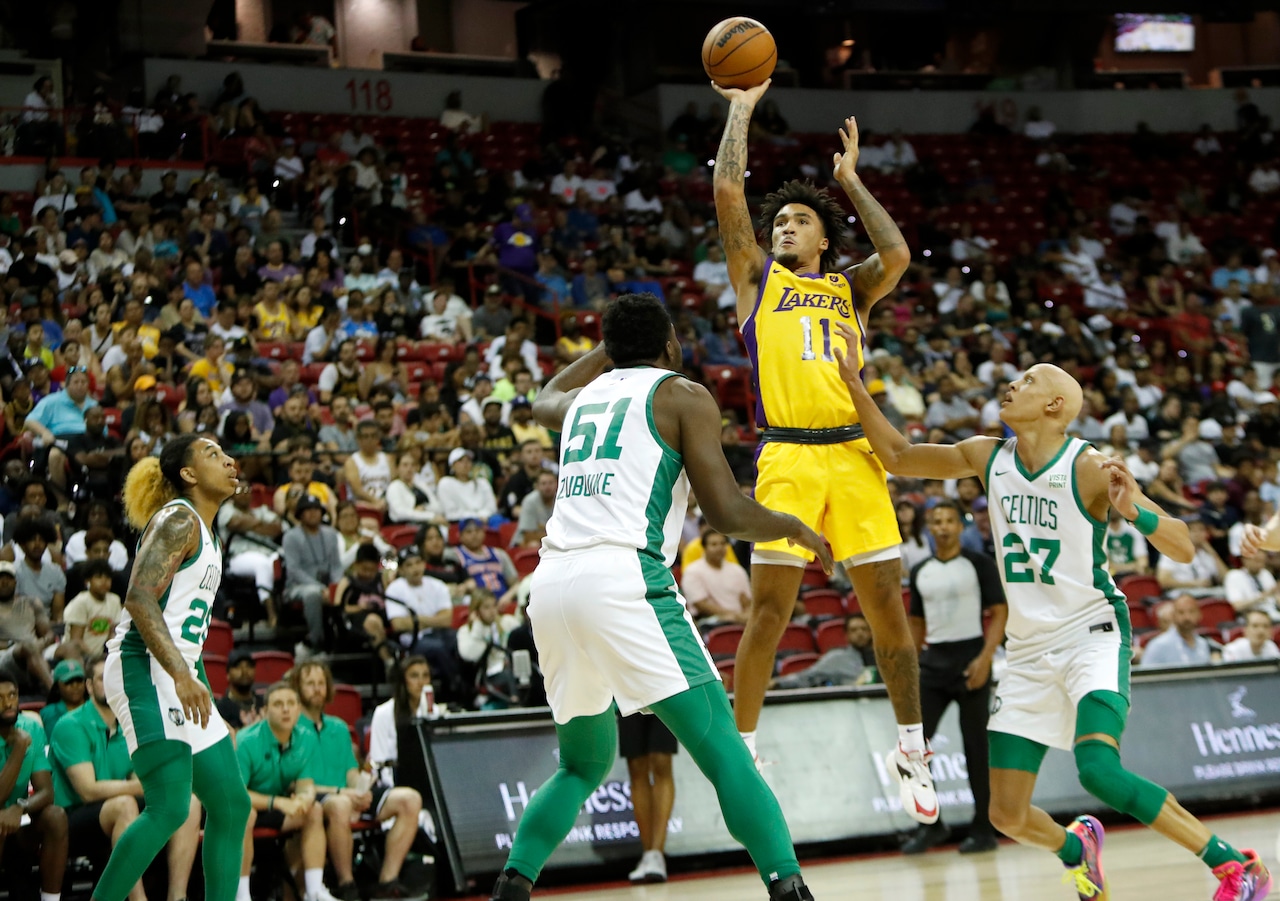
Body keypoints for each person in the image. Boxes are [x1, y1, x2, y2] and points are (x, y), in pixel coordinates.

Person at [832, 341, 1271, 901]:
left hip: (1091, 633)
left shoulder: (1088, 467)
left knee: (1098, 771)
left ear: (1056, 405)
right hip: (1028, 651)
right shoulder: (985, 455)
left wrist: (1134, 505)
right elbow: (897, 456)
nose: (1013, 384)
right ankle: (1075, 849)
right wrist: (853, 384)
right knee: (1006, 814)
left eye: (1029, 380)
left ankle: (1234, 865)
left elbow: (1183, 547)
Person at [486, 293, 831, 901]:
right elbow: (725, 513)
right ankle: (789, 889)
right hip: (624, 579)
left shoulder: (577, 401)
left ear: (612, 349)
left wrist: (608, 352)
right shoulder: (683, 395)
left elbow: (540, 398)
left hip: (552, 586)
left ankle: (512, 888)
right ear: (670, 343)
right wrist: (793, 527)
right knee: (725, 751)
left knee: (581, 766)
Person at [711, 81, 932, 818]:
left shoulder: (849, 287)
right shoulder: (756, 279)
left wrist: (849, 180)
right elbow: (726, 192)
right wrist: (741, 105)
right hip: (787, 457)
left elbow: (896, 251)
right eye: (779, 221)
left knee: (887, 611)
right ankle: (741, 751)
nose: (783, 228)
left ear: (823, 239)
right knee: (769, 612)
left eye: (799, 221)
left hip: (854, 457)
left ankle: (913, 749)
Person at [96, 434, 253, 901]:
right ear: (188, 475)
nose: (228, 460)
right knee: (168, 806)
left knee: (230, 803)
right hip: (140, 665)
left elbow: (188, 634)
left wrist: (197, 684)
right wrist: (183, 676)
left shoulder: (209, 534)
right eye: (212, 455)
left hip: (177, 669)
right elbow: (140, 600)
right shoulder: (178, 519)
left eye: (226, 454)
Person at [902, 500, 1007, 855]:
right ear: (930, 528)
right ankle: (930, 825)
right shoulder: (920, 572)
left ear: (960, 527)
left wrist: (986, 657)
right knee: (913, 749)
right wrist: (913, 664)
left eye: (949, 521)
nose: (943, 527)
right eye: (937, 521)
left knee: (976, 748)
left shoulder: (978, 564)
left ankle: (983, 828)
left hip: (972, 659)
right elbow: (916, 621)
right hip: (934, 664)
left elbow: (1000, 610)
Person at [52, 655, 202, 901]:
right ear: (89, 686)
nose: (110, 683)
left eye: (116, 678)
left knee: (186, 801)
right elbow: (88, 790)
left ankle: (177, 896)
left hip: (122, 806)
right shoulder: (71, 724)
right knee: (125, 805)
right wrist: (143, 785)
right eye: (102, 678)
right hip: (73, 817)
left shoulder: (131, 722)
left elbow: (141, 773)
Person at [292, 662, 426, 901]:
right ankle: (347, 883)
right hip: (316, 797)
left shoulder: (339, 727)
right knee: (341, 804)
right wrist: (345, 793)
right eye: (310, 684)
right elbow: (296, 783)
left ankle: (387, 881)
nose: (317, 689)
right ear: (298, 688)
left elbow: (351, 773)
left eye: (321, 683)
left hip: (345, 793)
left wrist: (362, 788)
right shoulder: (291, 728)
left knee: (410, 799)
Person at [234, 681, 337, 901]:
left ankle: (314, 891)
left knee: (314, 810)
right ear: (264, 711)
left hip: (274, 808)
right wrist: (279, 803)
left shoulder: (305, 738)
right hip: (240, 807)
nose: (286, 709)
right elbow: (237, 794)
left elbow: (304, 782)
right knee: (245, 814)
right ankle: (241, 896)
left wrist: (305, 797)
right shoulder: (245, 741)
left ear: (299, 709)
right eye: (278, 704)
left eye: (291, 703)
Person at [0, 674, 67, 901]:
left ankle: (51, 899)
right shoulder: (22, 737)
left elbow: (46, 792)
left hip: (17, 825)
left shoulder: (30, 727)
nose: (8, 703)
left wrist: (20, 807)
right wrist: (19, 748)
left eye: (12, 695)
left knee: (56, 816)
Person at [283, 496, 347, 660]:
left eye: (316, 510)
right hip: (298, 586)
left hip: (327, 584)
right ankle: (316, 640)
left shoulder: (331, 534)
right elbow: (294, 570)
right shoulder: (291, 537)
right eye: (308, 510)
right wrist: (321, 588)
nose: (313, 514)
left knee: (345, 587)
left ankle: (346, 638)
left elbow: (336, 566)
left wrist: (335, 586)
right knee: (313, 593)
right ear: (300, 514)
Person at [619, 711, 677, 884]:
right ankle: (649, 854)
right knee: (636, 765)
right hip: (627, 688)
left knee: (661, 760)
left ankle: (657, 854)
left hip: (663, 687)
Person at [771, 614, 874, 689]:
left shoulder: (885, 658)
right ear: (846, 635)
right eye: (854, 630)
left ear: (871, 633)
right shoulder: (836, 659)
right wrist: (778, 683)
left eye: (864, 629)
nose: (860, 633)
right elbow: (806, 677)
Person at [681, 527, 751, 627]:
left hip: (740, 622)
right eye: (714, 544)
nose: (719, 548)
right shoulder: (693, 571)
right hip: (710, 623)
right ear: (704, 547)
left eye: (723, 544)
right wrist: (733, 615)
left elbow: (746, 602)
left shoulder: (737, 570)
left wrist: (743, 617)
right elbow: (701, 604)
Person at [1139, 594, 1217, 668]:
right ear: (1173, 615)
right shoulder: (1158, 645)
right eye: (1181, 612)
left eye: (1191, 612)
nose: (1187, 617)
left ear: (1199, 614)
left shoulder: (1203, 644)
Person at [216, 648, 263, 731]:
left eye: (249, 666)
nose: (244, 671)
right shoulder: (220, 709)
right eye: (238, 667)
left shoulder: (262, 704)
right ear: (228, 674)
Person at [41, 658, 87, 735]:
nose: (75, 685)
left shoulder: (96, 707)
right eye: (68, 681)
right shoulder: (49, 713)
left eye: (79, 680)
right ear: (57, 687)